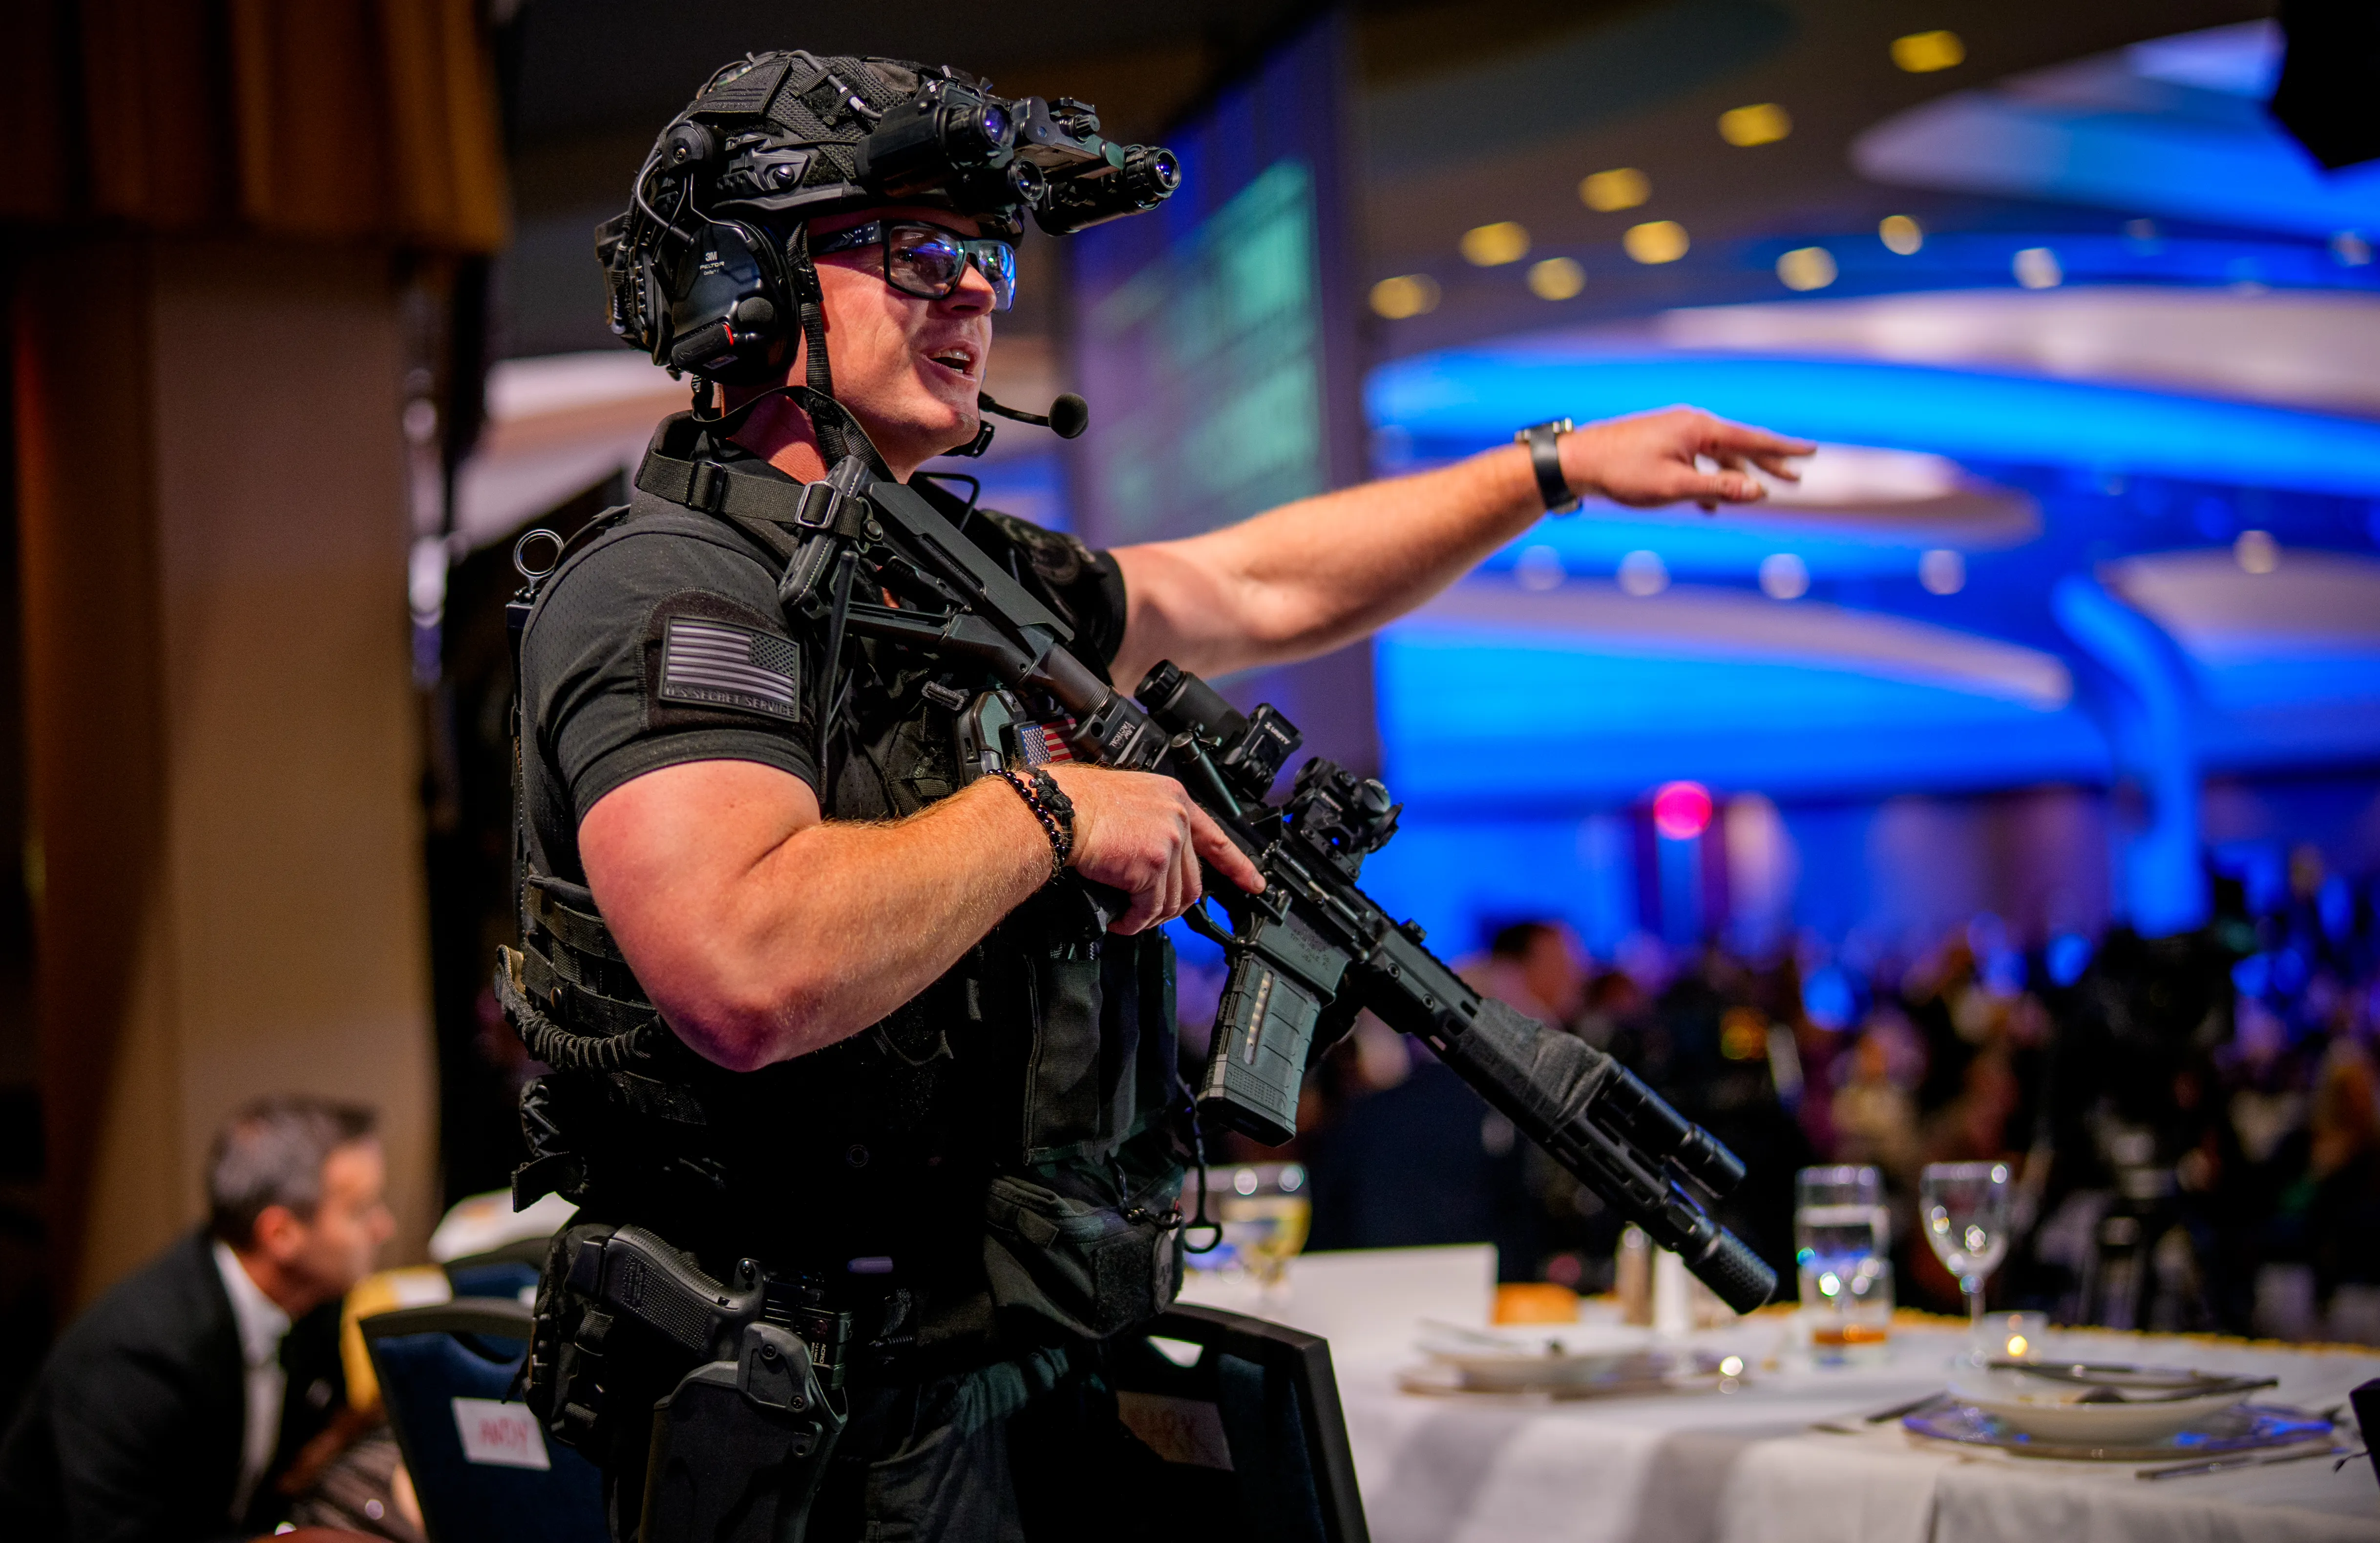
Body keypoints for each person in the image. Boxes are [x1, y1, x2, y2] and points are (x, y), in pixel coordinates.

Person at [505, 51, 1810, 1542]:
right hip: (815, 1426)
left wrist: (1551, 468)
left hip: (1015, 1363)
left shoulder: (948, 575)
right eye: (925, 253)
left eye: (989, 258)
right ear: (750, 285)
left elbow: (1253, 583)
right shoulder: (675, 587)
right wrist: (1051, 816)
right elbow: (741, 967)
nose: (980, 295)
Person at [0, 1098, 396, 1543]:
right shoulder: (140, 1355)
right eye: (360, 1211)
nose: (384, 1227)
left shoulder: (315, 1300)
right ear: (280, 1234)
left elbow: (301, 1459)